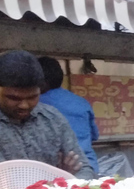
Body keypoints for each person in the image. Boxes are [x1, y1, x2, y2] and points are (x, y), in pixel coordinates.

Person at [0, 50, 94, 179]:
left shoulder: (53, 118)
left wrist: (65, 180)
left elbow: (83, 169)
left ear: (41, 90)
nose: (24, 105)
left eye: (33, 97)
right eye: (14, 98)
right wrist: (55, 177)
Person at [38, 57, 100, 173]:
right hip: (89, 166)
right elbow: (94, 135)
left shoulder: (36, 105)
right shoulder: (81, 102)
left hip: (55, 172)